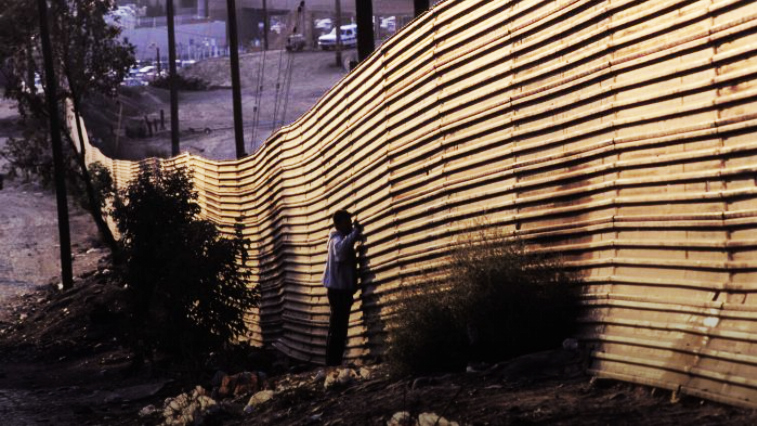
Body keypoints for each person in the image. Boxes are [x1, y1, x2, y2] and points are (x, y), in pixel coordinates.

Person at [322, 209, 362, 366]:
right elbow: (341, 252)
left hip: (342, 292)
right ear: (338, 224)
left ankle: (333, 363)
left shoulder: (339, 238)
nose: (350, 225)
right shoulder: (336, 240)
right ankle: (332, 364)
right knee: (337, 329)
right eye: (347, 222)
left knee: (339, 328)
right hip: (338, 292)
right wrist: (355, 233)